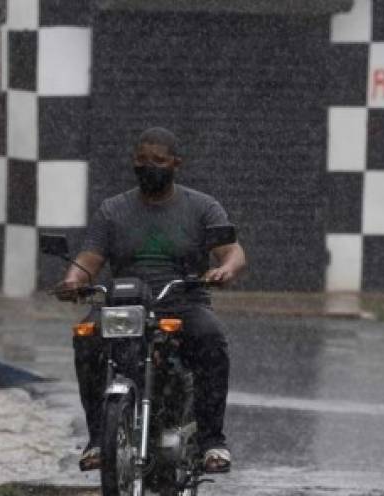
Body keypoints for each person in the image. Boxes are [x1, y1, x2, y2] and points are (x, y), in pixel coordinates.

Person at [56, 127, 247, 474]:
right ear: (133, 163)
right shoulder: (112, 210)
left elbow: (232, 252)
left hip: (183, 302)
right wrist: (73, 280)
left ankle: (212, 441)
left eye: (158, 161)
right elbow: (89, 259)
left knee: (211, 339)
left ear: (176, 164)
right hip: (123, 306)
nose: (149, 167)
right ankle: (98, 438)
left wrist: (225, 270)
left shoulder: (202, 207)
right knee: (86, 336)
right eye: (142, 161)